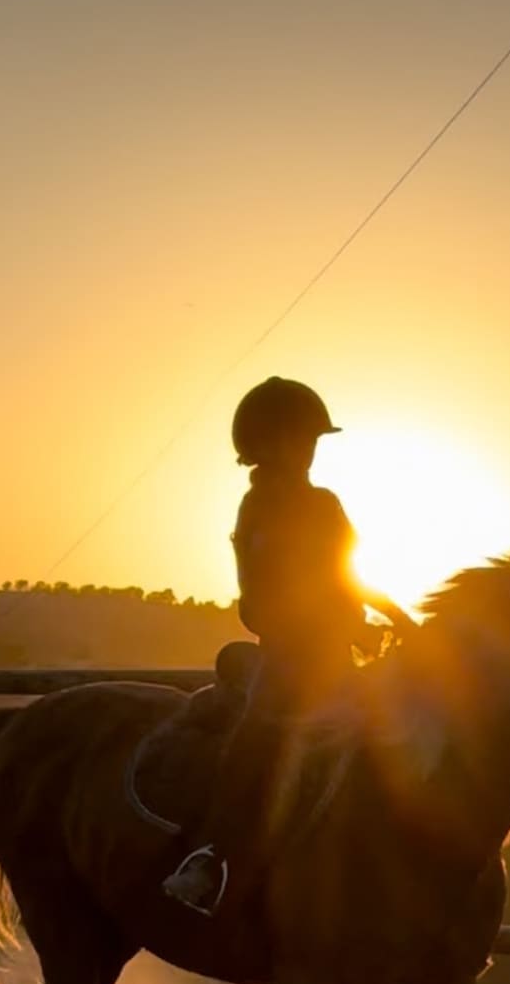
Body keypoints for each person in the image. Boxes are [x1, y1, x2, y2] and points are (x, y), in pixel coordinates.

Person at [163, 377, 396, 914]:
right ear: (268, 446)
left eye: (315, 441)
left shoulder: (325, 503)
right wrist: (335, 623)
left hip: (336, 654)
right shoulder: (259, 507)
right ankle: (210, 857)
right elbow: (266, 595)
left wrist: (398, 616)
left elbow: (345, 576)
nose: (311, 451)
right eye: (303, 439)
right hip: (287, 653)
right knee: (263, 724)